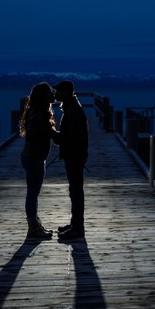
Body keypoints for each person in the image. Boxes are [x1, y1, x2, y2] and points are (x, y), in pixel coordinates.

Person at [19, 82, 57, 239]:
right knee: (32, 194)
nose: (52, 95)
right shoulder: (38, 115)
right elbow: (41, 134)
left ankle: (34, 224)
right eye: (49, 93)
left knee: (33, 194)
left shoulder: (38, 112)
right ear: (43, 96)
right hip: (33, 158)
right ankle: (33, 228)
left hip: (34, 157)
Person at [52, 80, 89, 240]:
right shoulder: (72, 107)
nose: (55, 95)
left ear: (66, 92)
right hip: (76, 155)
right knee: (74, 191)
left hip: (74, 156)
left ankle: (77, 228)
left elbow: (71, 138)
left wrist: (52, 133)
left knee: (76, 192)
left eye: (58, 92)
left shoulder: (73, 110)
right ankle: (75, 224)